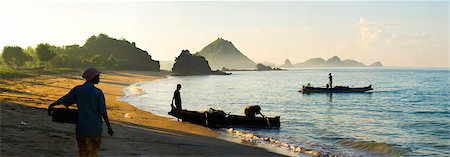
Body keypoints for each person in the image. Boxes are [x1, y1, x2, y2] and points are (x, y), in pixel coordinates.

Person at [48, 68, 113, 157]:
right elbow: (103, 112)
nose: (99, 79)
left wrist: (52, 105)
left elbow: (65, 99)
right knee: (93, 153)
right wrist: (109, 127)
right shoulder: (98, 93)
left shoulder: (78, 90)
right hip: (95, 129)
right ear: (92, 78)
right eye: (98, 77)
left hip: (81, 128)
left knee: (83, 153)